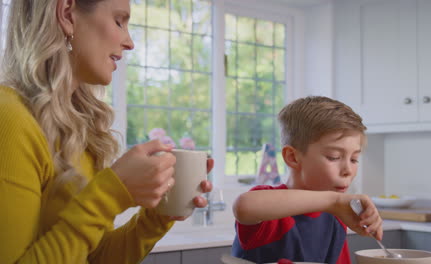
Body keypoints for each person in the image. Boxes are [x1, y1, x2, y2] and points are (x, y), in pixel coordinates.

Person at [0, 0, 213, 263]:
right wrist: (111, 193)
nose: (129, 42)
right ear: (67, 14)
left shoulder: (80, 131)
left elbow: (95, 256)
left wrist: (158, 216)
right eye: (119, 21)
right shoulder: (9, 118)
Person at [232, 96, 383, 264]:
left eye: (354, 159)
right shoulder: (271, 213)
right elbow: (244, 206)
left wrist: (335, 205)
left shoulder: (336, 216)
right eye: (334, 157)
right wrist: (334, 202)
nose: (348, 170)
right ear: (293, 157)